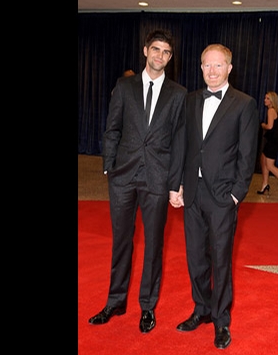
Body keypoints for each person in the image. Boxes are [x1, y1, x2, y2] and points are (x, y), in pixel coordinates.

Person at [88, 29, 186, 334]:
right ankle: (116, 300)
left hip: (158, 178)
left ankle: (147, 306)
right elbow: (112, 129)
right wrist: (109, 167)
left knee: (154, 245)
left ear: (170, 57)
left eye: (166, 52)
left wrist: (176, 182)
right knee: (121, 242)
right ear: (145, 51)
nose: (160, 56)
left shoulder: (178, 94)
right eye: (155, 49)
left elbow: (180, 141)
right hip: (123, 177)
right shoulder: (125, 86)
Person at [173, 43, 258, 349]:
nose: (211, 71)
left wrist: (236, 195)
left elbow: (247, 156)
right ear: (201, 67)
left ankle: (221, 320)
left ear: (229, 68)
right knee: (196, 258)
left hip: (223, 197)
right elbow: (182, 145)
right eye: (206, 65)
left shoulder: (244, 104)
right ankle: (202, 309)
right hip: (192, 194)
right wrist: (177, 184)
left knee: (221, 261)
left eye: (218, 65)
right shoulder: (191, 100)